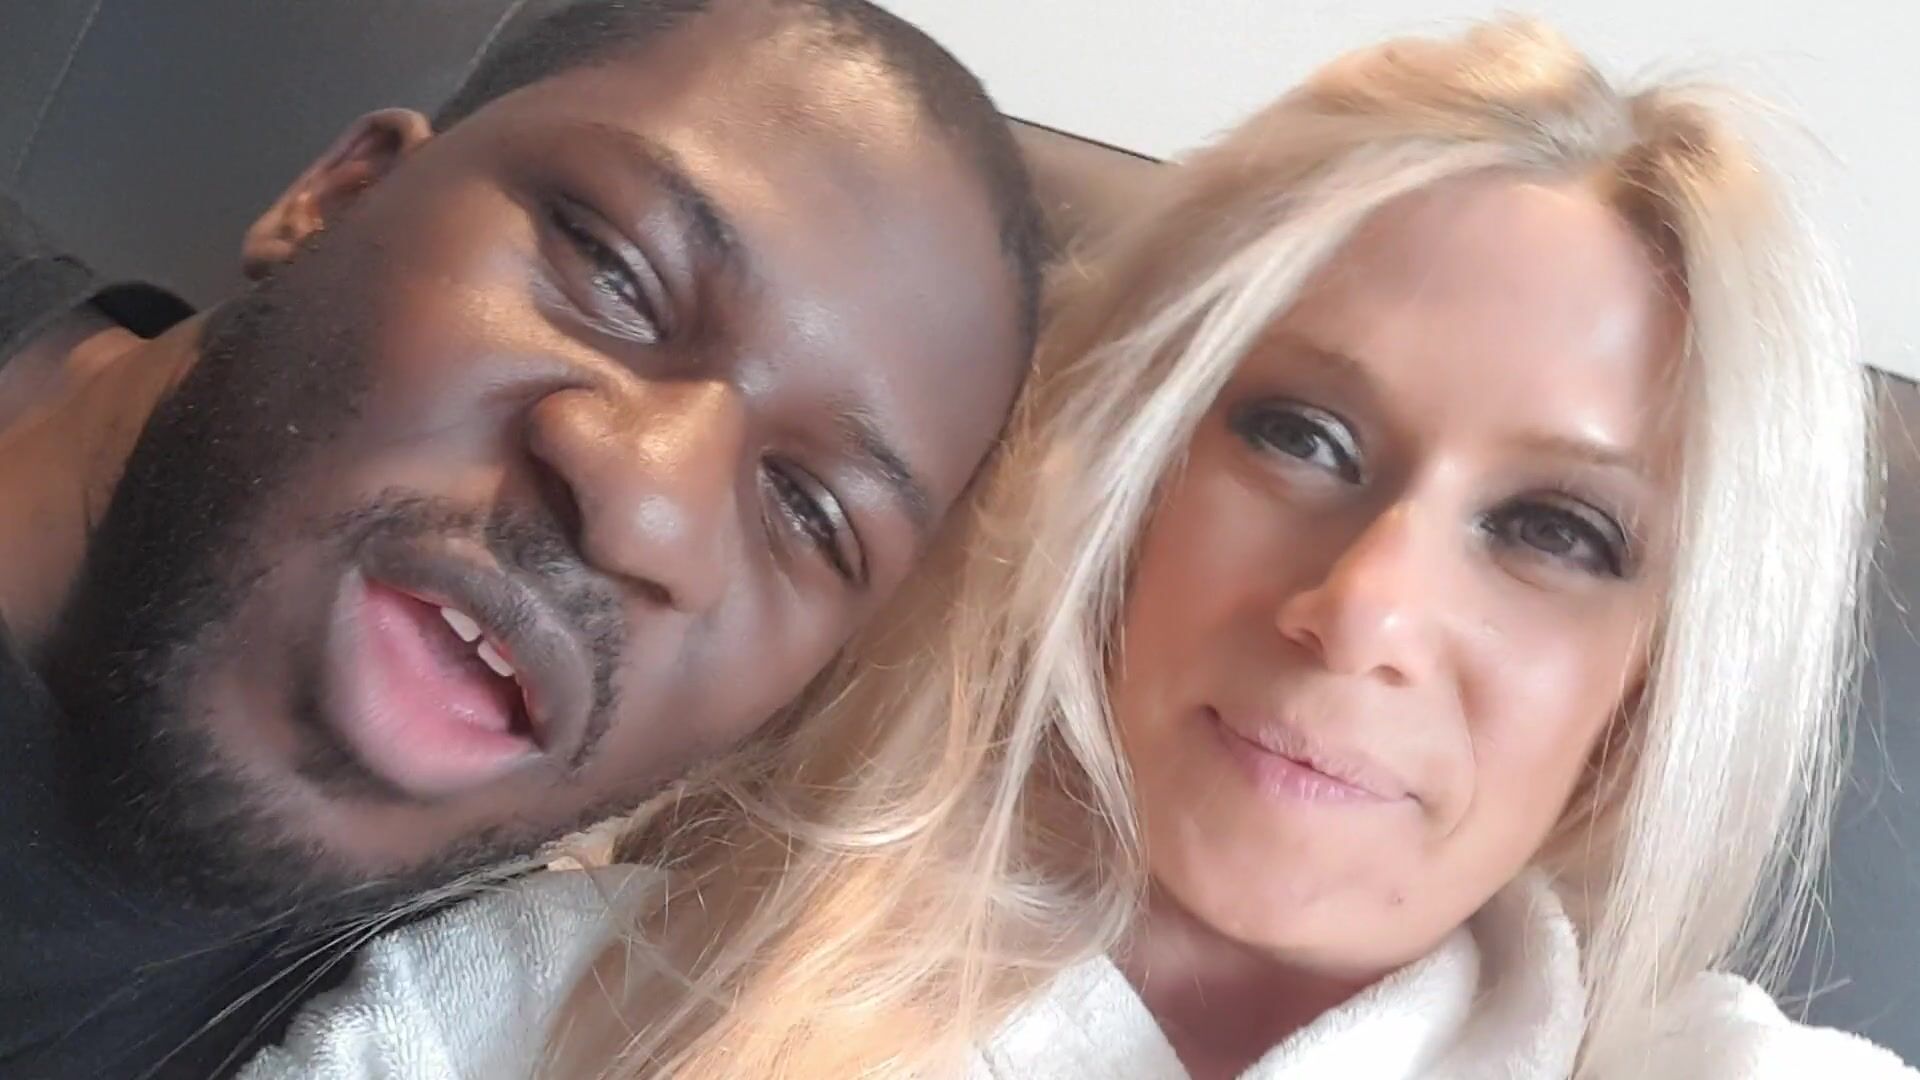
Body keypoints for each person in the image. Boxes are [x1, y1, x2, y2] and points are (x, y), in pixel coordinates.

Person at [230, 16, 1920, 1080]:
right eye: (1301, 437)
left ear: (1657, 678)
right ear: (1120, 467)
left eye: (1553, 530)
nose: (1365, 611)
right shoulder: (526, 1010)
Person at [0, 0, 1047, 1075]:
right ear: (342, 191)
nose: (647, 515)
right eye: (617, 272)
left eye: (812, 514)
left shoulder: (447, 1032)